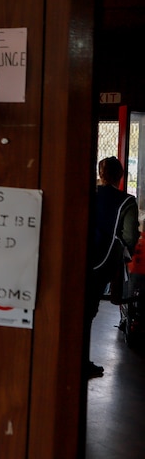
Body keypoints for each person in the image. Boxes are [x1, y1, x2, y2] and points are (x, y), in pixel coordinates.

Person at [86, 156, 140, 378]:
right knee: (89, 309)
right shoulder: (127, 201)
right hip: (104, 261)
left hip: (81, 256)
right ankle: (82, 362)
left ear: (100, 174)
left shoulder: (90, 194)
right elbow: (129, 236)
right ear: (121, 176)